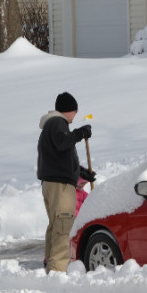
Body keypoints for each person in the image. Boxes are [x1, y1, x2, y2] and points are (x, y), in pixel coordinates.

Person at [37, 92, 92, 273]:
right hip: (60, 187)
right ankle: (57, 272)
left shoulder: (51, 125)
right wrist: (79, 133)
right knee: (64, 226)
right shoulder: (57, 123)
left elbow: (58, 158)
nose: (74, 117)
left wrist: (80, 173)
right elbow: (63, 143)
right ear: (70, 110)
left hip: (53, 183)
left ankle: (51, 268)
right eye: (75, 113)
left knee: (56, 226)